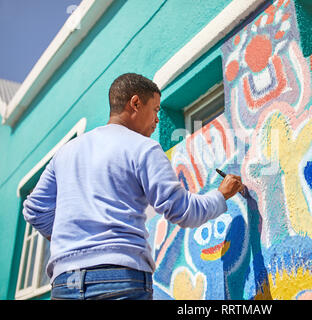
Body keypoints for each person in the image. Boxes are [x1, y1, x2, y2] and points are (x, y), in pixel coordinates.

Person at [22, 73, 244, 300]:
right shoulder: (143, 148)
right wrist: (220, 195)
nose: (157, 120)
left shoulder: (65, 153)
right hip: (120, 277)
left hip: (64, 282)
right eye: (156, 109)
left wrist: (72, 240)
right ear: (135, 103)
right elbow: (182, 210)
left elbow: (34, 210)